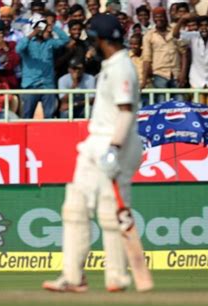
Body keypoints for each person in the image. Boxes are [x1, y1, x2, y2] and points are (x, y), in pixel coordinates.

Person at [42, 14, 143, 292]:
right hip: (94, 142)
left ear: (101, 40)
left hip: (114, 142)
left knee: (111, 211)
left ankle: (117, 276)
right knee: (74, 206)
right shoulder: (110, 65)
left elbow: (125, 112)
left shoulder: (123, 67)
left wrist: (114, 149)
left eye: (93, 40)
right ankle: (73, 276)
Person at [16, 14, 68, 118]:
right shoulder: (27, 43)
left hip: (47, 85)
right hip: (31, 86)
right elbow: (18, 49)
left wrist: (52, 26)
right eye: (40, 26)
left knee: (49, 116)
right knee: (27, 116)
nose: (42, 28)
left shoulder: (49, 42)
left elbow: (65, 40)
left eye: (43, 26)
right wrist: (33, 33)